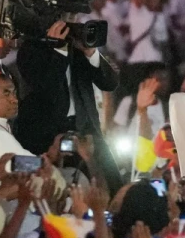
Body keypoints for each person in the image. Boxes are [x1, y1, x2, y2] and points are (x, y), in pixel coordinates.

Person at [14, 19, 121, 191]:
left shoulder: (78, 47)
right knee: (54, 191)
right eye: (66, 13)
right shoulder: (31, 49)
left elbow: (110, 83)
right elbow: (48, 88)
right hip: (48, 135)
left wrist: (90, 52)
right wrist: (58, 49)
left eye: (74, 14)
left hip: (87, 130)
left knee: (114, 187)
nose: (71, 21)